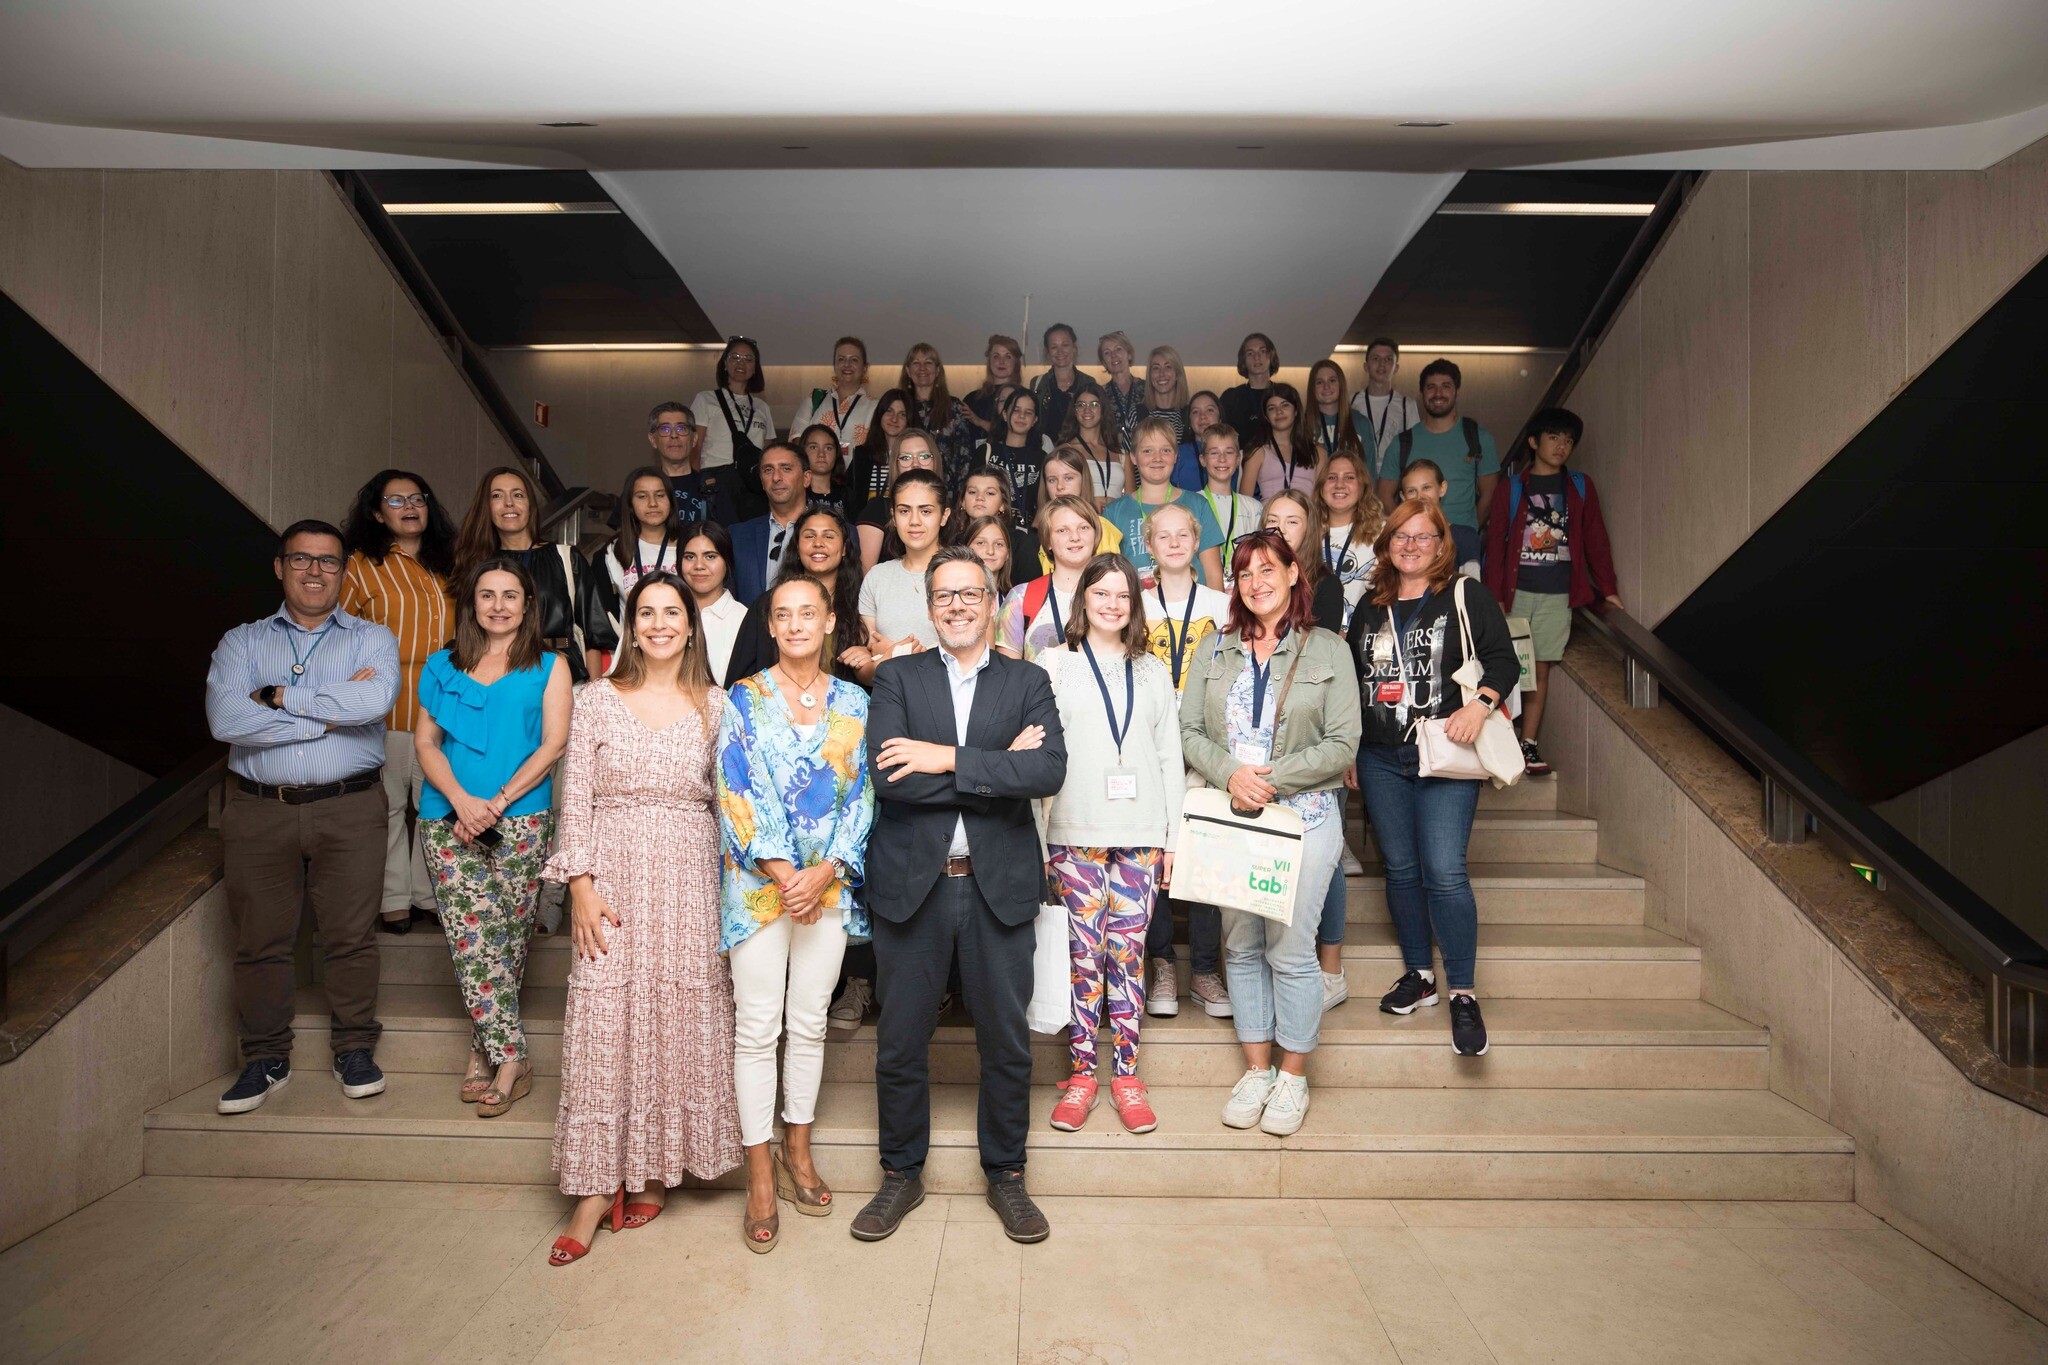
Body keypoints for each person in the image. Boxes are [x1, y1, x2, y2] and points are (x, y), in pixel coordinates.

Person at [854, 546, 1067, 1245]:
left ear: (991, 600)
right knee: (900, 1042)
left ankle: (1006, 1173)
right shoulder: (898, 678)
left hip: (997, 886)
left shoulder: (1027, 679)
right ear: (929, 605)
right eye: (943, 594)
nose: (957, 605)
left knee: (1006, 1042)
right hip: (913, 886)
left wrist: (943, 757)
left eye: (970, 592)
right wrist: (996, 767)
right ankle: (900, 1173)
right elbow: (891, 778)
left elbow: (1047, 771)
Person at [543, 572, 741, 1265]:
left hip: (690, 883)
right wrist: (580, 885)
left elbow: (731, 806)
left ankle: (656, 1167)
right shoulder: (595, 700)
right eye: (646, 612)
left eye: (671, 612)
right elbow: (575, 797)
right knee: (604, 1022)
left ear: (691, 625)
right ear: (631, 625)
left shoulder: (718, 705)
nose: (659, 623)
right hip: (613, 880)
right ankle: (596, 1188)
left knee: (676, 1020)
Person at [205, 521, 399, 1115]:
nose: (315, 572)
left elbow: (374, 702)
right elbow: (226, 721)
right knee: (260, 940)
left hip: (351, 806)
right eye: (302, 559)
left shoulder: (372, 639)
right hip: (259, 809)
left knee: (351, 937)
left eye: (328, 561)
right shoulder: (241, 643)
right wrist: (331, 714)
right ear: (279, 566)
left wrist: (278, 697)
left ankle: (355, 1050)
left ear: (343, 572)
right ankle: (265, 1058)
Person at [1179, 531, 1360, 1136]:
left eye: (1267, 569)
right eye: (1244, 573)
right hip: (1233, 818)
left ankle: (1293, 1077)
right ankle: (1257, 1071)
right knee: (1240, 947)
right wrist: (1231, 775)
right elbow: (1188, 732)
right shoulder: (1215, 648)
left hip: (1304, 818)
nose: (1256, 582)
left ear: (1291, 574)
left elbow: (1343, 744)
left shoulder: (1328, 649)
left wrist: (1270, 780)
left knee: (1290, 949)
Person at [718, 575, 877, 1251]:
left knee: (810, 1021)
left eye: (807, 612)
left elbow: (865, 795)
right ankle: (760, 1172)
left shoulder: (857, 701)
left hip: (829, 888)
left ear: (829, 620)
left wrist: (826, 871)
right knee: (757, 1028)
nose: (795, 624)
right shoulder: (743, 697)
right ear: (771, 625)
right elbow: (735, 788)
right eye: (782, 614)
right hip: (761, 888)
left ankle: (798, 1149)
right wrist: (788, 876)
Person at [1347, 499, 1519, 1059]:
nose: (1412, 545)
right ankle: (1420, 975)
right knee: (1400, 869)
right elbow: (1351, 679)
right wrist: (1348, 747)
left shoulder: (1465, 595)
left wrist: (1481, 705)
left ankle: (1463, 993)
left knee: (1443, 871)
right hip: (1380, 756)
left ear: (1442, 544)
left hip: (1446, 751)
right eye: (1401, 536)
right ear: (1386, 544)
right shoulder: (1370, 605)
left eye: (1424, 536)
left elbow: (1504, 661)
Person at [413, 556, 571, 1117]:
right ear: (472, 604)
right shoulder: (442, 665)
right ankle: (512, 1059)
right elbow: (426, 743)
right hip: (447, 817)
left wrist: (497, 804)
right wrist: (462, 801)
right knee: (470, 937)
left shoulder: (550, 666)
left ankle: (482, 1050)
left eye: (510, 595)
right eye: (487, 595)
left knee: (507, 938)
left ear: (527, 606)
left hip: (522, 817)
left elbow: (554, 744)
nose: (498, 605)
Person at [1036, 554, 1184, 1134]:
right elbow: (1037, 752)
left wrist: (1173, 839)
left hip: (1142, 833)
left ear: (1134, 604)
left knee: (1127, 954)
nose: (1112, 604)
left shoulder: (1152, 670)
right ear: (1083, 600)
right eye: (1101, 593)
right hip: (1074, 830)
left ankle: (1125, 1075)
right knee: (1082, 955)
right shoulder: (1054, 663)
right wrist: (1037, 840)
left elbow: (1169, 755)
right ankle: (1081, 1075)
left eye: (1123, 595)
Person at [341, 468, 456, 934]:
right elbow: (335, 628)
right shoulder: (360, 566)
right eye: (396, 500)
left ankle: (427, 896)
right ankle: (393, 901)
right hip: (387, 709)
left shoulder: (450, 565)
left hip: (445, 710)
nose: (410, 507)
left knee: (435, 806)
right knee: (389, 807)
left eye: (417, 498)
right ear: (376, 513)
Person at [1481, 406, 1622, 777]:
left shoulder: (1579, 486)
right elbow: (1494, 544)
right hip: (1516, 594)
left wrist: (1608, 590)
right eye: (1554, 437)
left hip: (1558, 595)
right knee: (1503, 667)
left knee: (1539, 668)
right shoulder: (1512, 488)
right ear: (1533, 441)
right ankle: (1495, 744)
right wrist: (1494, 595)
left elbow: (1596, 540)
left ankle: (1527, 745)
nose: (1562, 446)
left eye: (1568, 440)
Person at [1136, 503, 1234, 1019]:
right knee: (1153, 856)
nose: (1173, 544)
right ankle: (1162, 965)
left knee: (1204, 854)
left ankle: (1204, 970)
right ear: (1148, 545)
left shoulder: (1223, 604)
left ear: (1197, 543)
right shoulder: (1133, 604)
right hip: (1149, 748)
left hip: (1205, 746)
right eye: (1163, 536)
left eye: (1183, 535)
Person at [454, 465, 612, 683]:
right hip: (497, 677)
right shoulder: (477, 564)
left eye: (518, 495)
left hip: (562, 673)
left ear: (531, 505)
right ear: (486, 507)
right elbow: (467, 632)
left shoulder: (566, 557)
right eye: (497, 495)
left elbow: (592, 634)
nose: (509, 503)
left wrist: (593, 691)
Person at [727, 508, 881, 690]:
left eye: (828, 536)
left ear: (844, 548)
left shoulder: (863, 603)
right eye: (809, 536)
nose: (818, 543)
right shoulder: (768, 605)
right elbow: (740, 682)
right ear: (797, 548)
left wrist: (868, 658)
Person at [1375, 358, 1499, 574]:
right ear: (1422, 393)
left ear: (1457, 391)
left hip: (1461, 546)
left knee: (1462, 593)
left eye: (1446, 386)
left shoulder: (1478, 438)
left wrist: (1466, 531)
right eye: (1431, 387)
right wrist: (1407, 530)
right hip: (1414, 546)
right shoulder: (1402, 443)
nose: (1438, 393)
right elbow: (1384, 494)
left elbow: (1490, 494)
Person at [1101, 415, 1226, 586]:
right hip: (1138, 602)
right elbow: (1106, 576)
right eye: (1147, 451)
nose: (1157, 458)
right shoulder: (1114, 512)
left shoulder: (1198, 505)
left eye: (1165, 450)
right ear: (1133, 457)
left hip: (1194, 602)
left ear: (1175, 456)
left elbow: (1213, 575)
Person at [858, 469, 949, 656]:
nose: (914, 521)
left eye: (925, 511)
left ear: (944, 516)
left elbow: (979, 655)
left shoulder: (967, 574)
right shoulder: (877, 577)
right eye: (904, 511)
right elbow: (868, 657)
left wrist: (895, 653)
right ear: (893, 516)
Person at [1000, 494, 1100, 662]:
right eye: (1062, 530)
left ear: (1095, 534)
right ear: (1047, 541)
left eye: (1083, 528)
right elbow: (1009, 672)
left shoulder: (1118, 593)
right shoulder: (1021, 597)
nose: (1075, 537)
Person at [692, 336, 776, 519]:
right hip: (717, 479)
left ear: (755, 368)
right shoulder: (706, 399)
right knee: (719, 534)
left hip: (752, 484)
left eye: (748, 359)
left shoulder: (762, 407)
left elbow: (768, 452)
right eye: (735, 357)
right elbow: (694, 447)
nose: (741, 363)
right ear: (725, 363)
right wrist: (696, 483)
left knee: (751, 533)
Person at [597, 468, 679, 636]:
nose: (652, 503)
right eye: (642, 496)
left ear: (671, 501)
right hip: (631, 646)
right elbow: (603, 615)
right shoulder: (613, 551)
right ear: (630, 505)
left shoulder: (690, 547)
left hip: (681, 644)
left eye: (660, 495)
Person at [730, 442, 810, 604]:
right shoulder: (736, 536)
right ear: (761, 481)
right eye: (768, 470)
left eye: (786, 468)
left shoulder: (838, 533)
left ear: (806, 478)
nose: (776, 477)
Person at [1313, 450, 1385, 631]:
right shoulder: (1306, 534)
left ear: (1363, 487)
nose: (1339, 484)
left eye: (1349, 478)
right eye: (1332, 478)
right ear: (1321, 488)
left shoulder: (1382, 533)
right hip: (1315, 637)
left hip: (1363, 636)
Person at [855, 429, 946, 573]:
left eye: (924, 456)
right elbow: (865, 576)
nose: (915, 464)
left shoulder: (950, 512)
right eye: (905, 457)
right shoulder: (877, 509)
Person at [639, 401, 735, 528]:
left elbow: (730, 536)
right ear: (653, 440)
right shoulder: (639, 488)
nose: (674, 435)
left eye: (681, 428)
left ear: (694, 439)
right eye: (665, 429)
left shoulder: (713, 489)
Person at [1262, 489, 1345, 632]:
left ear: (1308, 529)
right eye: (1272, 520)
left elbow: (1323, 643)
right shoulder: (1252, 578)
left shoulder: (1327, 585)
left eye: (1292, 522)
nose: (1280, 529)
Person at [899, 342, 976, 493]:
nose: (922, 368)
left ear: (937, 370)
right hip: (906, 489)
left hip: (946, 492)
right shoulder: (900, 405)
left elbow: (964, 457)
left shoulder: (954, 407)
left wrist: (961, 497)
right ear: (908, 371)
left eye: (928, 362)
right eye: (916, 363)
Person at [789, 337, 877, 468]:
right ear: (834, 365)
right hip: (816, 477)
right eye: (841, 359)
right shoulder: (814, 399)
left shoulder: (876, 406)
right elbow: (796, 443)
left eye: (854, 360)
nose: (847, 364)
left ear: (865, 367)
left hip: (858, 478)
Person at [677, 520, 747, 685]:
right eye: (689, 557)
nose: (699, 566)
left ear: (727, 562)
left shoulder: (744, 619)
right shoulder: (662, 614)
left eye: (710, 556)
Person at [1036, 446, 1126, 573]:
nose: (1060, 486)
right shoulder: (1047, 529)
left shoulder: (1100, 527)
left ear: (1083, 480)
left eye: (1068, 478)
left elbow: (1109, 578)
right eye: (1052, 480)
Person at [1194, 424, 1261, 587]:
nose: (1222, 459)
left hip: (1244, 591)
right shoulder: (1191, 504)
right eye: (1214, 452)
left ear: (1238, 459)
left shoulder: (1254, 508)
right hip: (1204, 591)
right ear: (1202, 460)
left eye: (1229, 452)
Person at [971, 388, 1052, 521]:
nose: (1022, 416)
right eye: (1016, 410)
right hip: (988, 525)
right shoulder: (985, 451)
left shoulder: (1042, 458)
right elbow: (971, 494)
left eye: (1028, 412)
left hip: (1026, 529)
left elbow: (1043, 505)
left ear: (1035, 420)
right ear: (1004, 414)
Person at [956, 466, 1044, 582]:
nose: (979, 497)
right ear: (963, 501)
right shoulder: (953, 542)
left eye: (990, 493)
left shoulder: (1022, 543)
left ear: (1003, 504)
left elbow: (1033, 588)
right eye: (972, 492)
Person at [1350, 337, 1420, 477]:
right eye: (1376, 358)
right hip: (1357, 473)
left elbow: (1415, 448)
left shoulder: (1407, 405)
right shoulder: (1350, 401)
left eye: (1388, 359)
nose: (1382, 364)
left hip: (1394, 476)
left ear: (1396, 368)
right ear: (1366, 366)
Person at [1241, 383, 1321, 502]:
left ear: (1296, 410)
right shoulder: (1258, 453)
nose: (1279, 411)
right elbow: (1244, 503)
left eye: (1285, 405)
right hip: (1269, 513)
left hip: (1307, 513)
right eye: (1272, 408)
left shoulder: (1317, 452)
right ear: (1266, 417)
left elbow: (1321, 500)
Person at [1028, 322, 1099, 447]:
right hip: (1044, 451)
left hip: (1080, 450)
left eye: (1065, 345)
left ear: (1074, 347)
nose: (1060, 351)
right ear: (1047, 351)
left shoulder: (1088, 382)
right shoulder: (1038, 383)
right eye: (1054, 347)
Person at [847, 387, 912, 519]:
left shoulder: (913, 457)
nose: (894, 419)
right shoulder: (862, 455)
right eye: (889, 411)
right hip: (865, 525)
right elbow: (851, 499)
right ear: (879, 415)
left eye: (902, 414)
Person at [1057, 388, 1127, 505]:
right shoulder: (1064, 451)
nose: (1087, 410)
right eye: (1081, 405)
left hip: (1116, 516)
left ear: (1103, 409)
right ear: (1075, 411)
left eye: (1094, 404)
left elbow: (1131, 502)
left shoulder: (1121, 455)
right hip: (1080, 514)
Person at [1218, 332, 1279, 450]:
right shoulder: (1231, 397)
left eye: (1262, 351)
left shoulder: (1284, 395)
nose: (1257, 357)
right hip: (1242, 459)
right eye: (1250, 353)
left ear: (1271, 356)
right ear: (1244, 361)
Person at [964, 333, 1026, 435]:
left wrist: (981, 422)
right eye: (996, 356)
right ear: (989, 361)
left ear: (1016, 362)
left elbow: (1018, 434)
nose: (1001, 362)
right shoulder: (972, 398)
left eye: (1008, 357)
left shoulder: (1024, 397)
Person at [1306, 358, 1363, 464]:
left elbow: (1369, 470)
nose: (1326, 386)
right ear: (1312, 388)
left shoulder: (1361, 422)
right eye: (1319, 382)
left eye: (1332, 380)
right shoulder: (1301, 425)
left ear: (1341, 384)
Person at [1097, 330, 1146, 450]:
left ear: (1129, 354)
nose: (1113, 355)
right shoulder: (1099, 394)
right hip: (1112, 454)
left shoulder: (1147, 389)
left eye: (1118, 349)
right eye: (1107, 353)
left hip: (1144, 453)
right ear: (1104, 362)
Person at [797, 422, 851, 518]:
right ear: (802, 451)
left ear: (836, 454)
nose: (821, 454)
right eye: (813, 447)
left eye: (828, 448)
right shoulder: (794, 493)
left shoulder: (849, 495)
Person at [1171, 389, 1223, 491]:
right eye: (1195, 412)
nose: (1202, 416)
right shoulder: (1177, 454)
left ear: (1220, 417)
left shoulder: (1233, 453)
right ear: (1189, 421)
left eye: (1210, 410)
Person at [1140, 344, 1191, 443]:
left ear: (1177, 374)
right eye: (1156, 368)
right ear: (1150, 376)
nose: (1161, 373)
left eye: (1168, 367)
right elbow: (1128, 452)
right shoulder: (1137, 413)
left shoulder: (1189, 414)